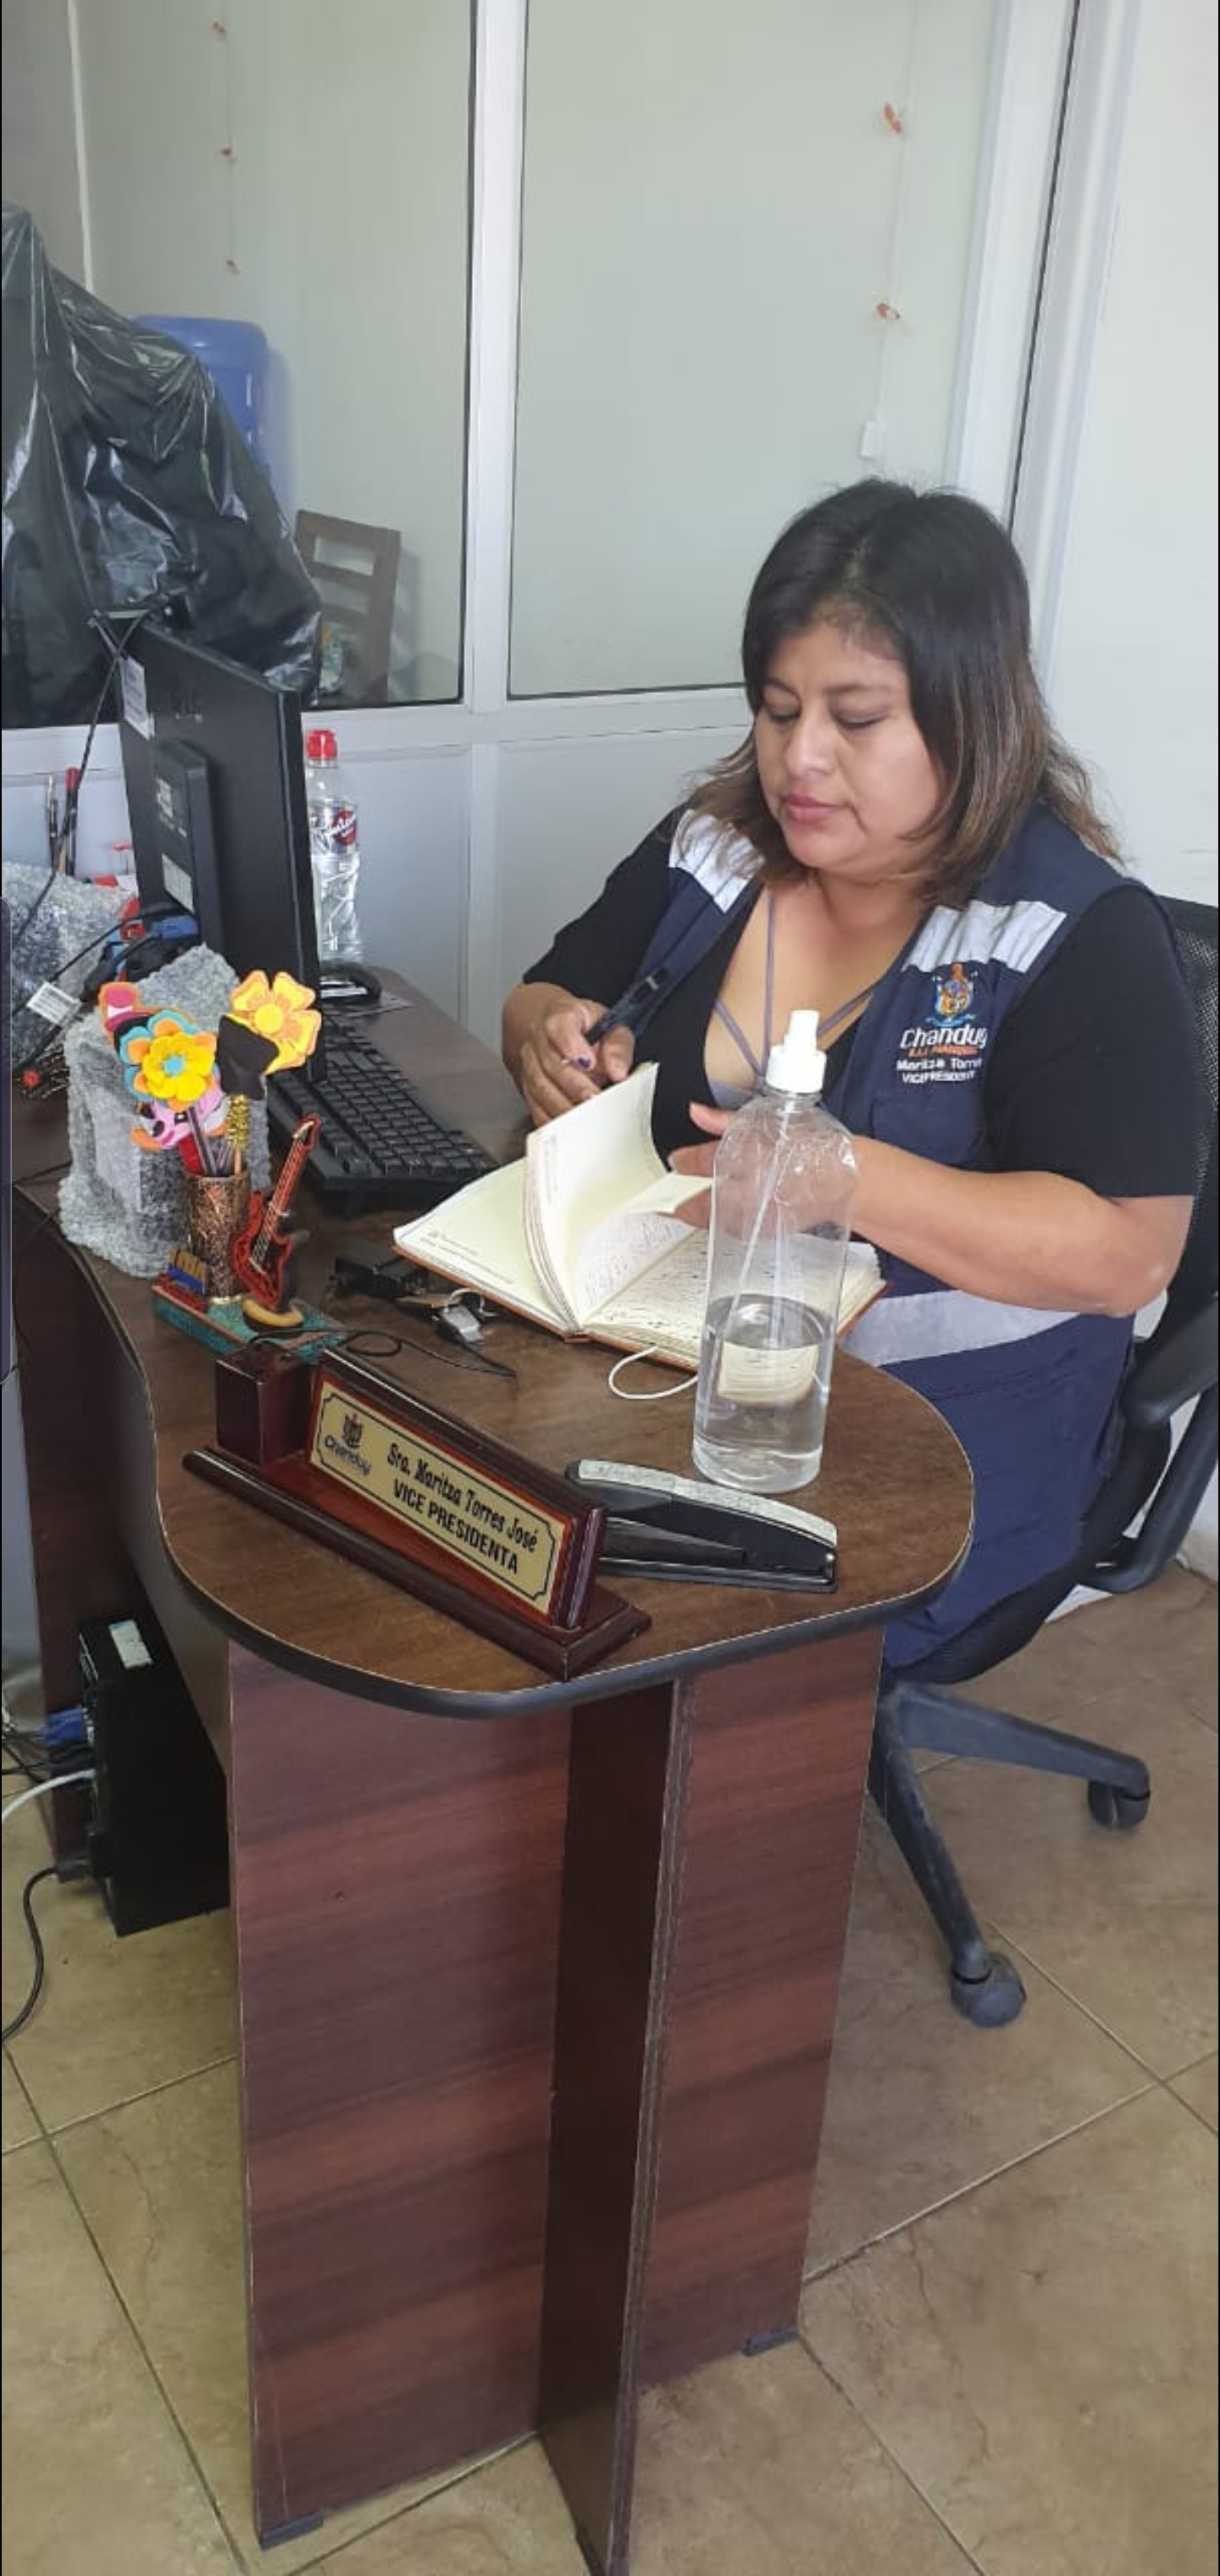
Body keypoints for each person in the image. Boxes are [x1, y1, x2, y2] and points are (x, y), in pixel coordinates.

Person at [502, 480, 1200, 1664]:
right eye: (778, 711)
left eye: (857, 719)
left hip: (930, 1454)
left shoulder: (1071, 935)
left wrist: (839, 1177)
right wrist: (544, 1036)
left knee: (597, 1624)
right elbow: (547, 989)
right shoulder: (717, 849)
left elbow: (1131, 1252)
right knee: (479, 1538)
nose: (800, 759)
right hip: (665, 1386)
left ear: (972, 719)